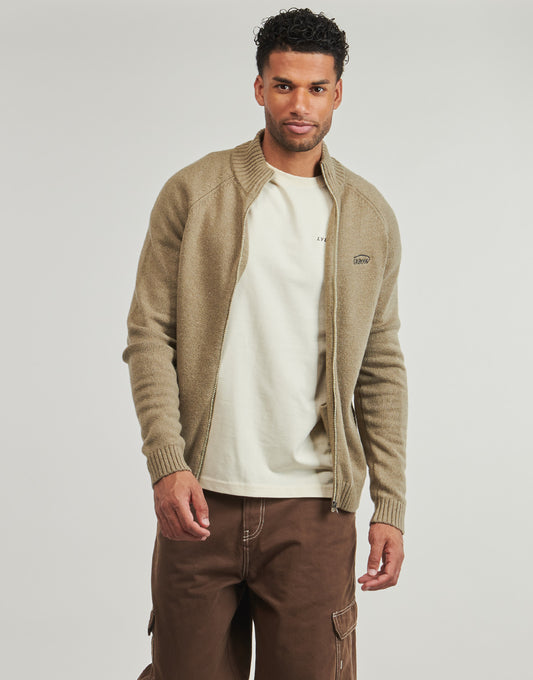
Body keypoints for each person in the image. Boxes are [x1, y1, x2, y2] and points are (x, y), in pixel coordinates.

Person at [122, 8, 407, 680]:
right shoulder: (194, 192)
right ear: (258, 88)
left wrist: (390, 504)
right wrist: (166, 463)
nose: (299, 104)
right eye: (283, 86)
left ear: (337, 93)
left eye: (315, 88)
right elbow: (149, 334)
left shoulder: (368, 215)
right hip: (199, 501)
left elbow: (380, 365)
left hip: (315, 513)